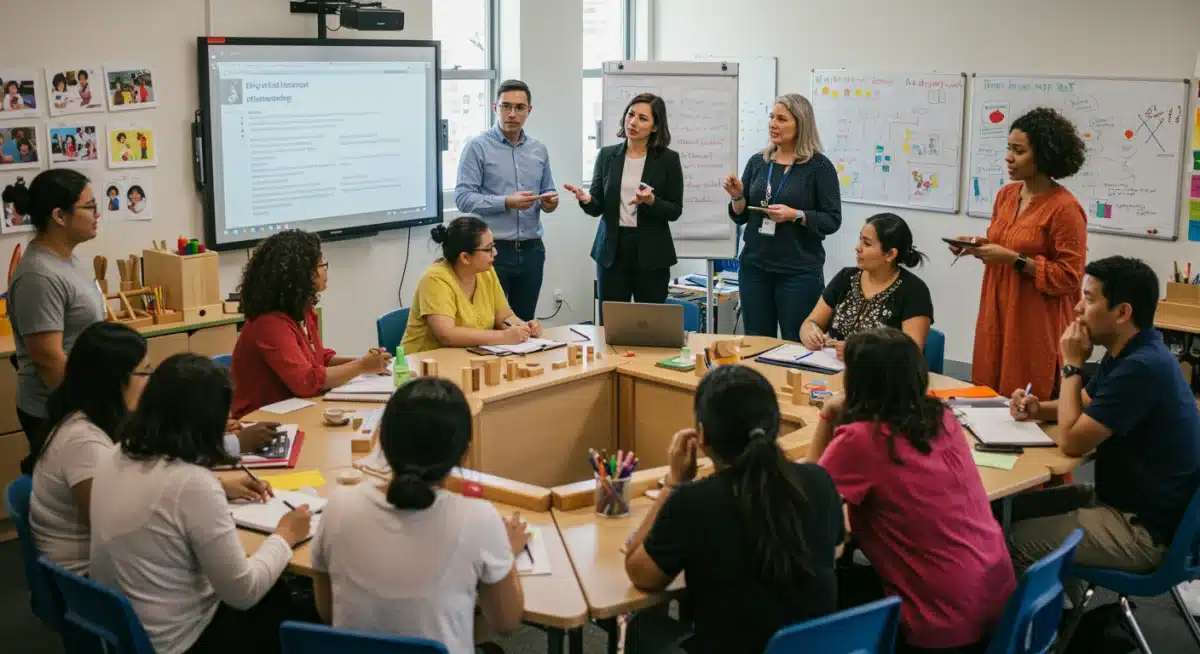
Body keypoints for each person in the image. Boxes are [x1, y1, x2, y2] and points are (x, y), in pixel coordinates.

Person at [807, 328, 1015, 653]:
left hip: (941, 625)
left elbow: (809, 496)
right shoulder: (942, 418)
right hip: (996, 603)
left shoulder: (864, 439)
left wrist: (827, 417)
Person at [89, 353, 313, 654]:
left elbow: (163, 496)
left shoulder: (114, 454)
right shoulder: (191, 484)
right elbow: (243, 592)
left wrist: (220, 486)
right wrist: (286, 535)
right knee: (280, 598)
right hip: (179, 642)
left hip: (126, 632)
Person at [1007, 257, 1200, 602]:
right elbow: (1083, 402)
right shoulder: (1134, 350)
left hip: (1142, 530)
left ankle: (1028, 638)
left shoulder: (1141, 368)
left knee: (1010, 540)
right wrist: (1040, 408)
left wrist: (1070, 365)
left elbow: (1071, 441)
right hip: (1127, 501)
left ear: (1122, 312)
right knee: (1005, 511)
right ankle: (1067, 615)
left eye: (1090, 298)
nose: (1079, 308)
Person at [623, 365, 843, 654]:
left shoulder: (692, 501)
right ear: (776, 424)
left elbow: (640, 573)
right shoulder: (819, 481)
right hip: (813, 648)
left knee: (642, 627)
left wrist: (673, 483)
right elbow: (835, 547)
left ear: (701, 436)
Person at [312, 377, 527, 652]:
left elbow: (327, 613)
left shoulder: (338, 508)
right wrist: (506, 552)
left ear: (382, 441)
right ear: (465, 452)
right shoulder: (479, 519)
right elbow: (506, 623)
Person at [950, 107, 1087, 400]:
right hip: (996, 310)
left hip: (1035, 320)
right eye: (1008, 148)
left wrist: (1015, 261)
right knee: (987, 395)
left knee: (1025, 400)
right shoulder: (1007, 195)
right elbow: (1010, 241)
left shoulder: (1065, 208)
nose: (1008, 157)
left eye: (1019, 150)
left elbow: (1070, 278)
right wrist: (975, 244)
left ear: (1044, 155)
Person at [230, 229, 390, 418]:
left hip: (296, 410)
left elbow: (318, 359)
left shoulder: (302, 310)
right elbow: (306, 381)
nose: (325, 271)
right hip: (262, 421)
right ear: (301, 274)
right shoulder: (269, 324)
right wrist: (362, 366)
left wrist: (368, 362)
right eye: (321, 264)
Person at [29, 322, 148, 575]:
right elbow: (113, 530)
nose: (150, 382)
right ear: (115, 380)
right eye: (144, 372)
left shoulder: (94, 417)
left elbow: (139, 468)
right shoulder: (83, 442)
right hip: (91, 582)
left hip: (102, 566)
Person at [7, 169, 105, 474]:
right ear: (59, 216)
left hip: (80, 405)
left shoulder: (67, 260)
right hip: (58, 411)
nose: (96, 214)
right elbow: (49, 359)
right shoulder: (39, 275)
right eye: (89, 207)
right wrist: (92, 411)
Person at [723, 94, 841, 341]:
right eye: (771, 117)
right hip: (755, 268)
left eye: (782, 119)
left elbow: (832, 219)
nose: (773, 124)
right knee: (756, 340)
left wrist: (796, 215)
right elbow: (741, 216)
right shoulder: (758, 162)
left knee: (796, 341)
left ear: (801, 124)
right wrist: (737, 197)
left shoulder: (819, 167)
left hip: (798, 272)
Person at [454, 79, 559, 322]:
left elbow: (547, 191)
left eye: (519, 108)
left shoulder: (538, 149)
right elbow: (463, 197)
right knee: (491, 325)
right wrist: (506, 202)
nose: (512, 114)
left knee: (523, 325)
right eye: (506, 107)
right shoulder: (477, 147)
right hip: (491, 252)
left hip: (532, 250)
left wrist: (549, 203)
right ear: (495, 108)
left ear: (529, 111)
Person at [564, 93, 684, 305]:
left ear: (655, 127)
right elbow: (597, 207)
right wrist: (585, 199)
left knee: (649, 324)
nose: (633, 122)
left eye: (642, 118)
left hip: (651, 251)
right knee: (612, 323)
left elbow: (675, 210)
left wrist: (652, 201)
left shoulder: (668, 160)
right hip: (612, 250)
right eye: (631, 114)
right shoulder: (607, 156)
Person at [401, 216, 542, 355]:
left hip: (466, 360)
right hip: (423, 366)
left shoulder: (486, 271)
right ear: (465, 258)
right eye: (488, 249)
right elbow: (446, 334)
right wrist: (504, 337)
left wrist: (524, 327)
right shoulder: (435, 279)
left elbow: (504, 317)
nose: (495, 253)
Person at [800, 213, 933, 357]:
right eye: (860, 240)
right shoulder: (846, 277)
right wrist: (810, 332)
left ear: (890, 254)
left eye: (867, 244)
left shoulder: (914, 290)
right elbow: (811, 322)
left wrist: (858, 352)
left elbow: (911, 353)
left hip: (883, 376)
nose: (858, 248)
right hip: (833, 369)